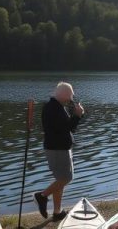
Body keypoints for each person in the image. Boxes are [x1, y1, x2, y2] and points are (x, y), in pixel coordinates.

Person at [34, 82, 85, 221]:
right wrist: (77, 115)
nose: (72, 98)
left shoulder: (57, 107)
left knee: (61, 180)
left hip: (61, 148)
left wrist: (76, 116)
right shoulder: (53, 108)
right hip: (57, 149)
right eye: (70, 95)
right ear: (64, 94)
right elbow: (66, 128)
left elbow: (68, 128)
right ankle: (42, 196)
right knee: (66, 178)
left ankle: (57, 212)